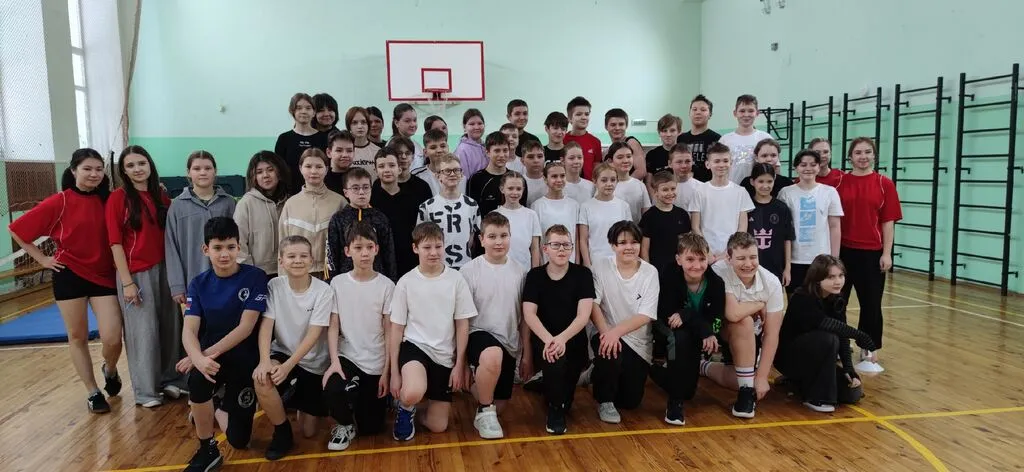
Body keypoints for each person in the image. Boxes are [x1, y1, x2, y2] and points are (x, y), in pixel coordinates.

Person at [9, 149, 122, 413]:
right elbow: (17, 229)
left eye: (98, 169)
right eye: (87, 169)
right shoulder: (59, 201)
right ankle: (93, 392)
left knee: (113, 337)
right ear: (73, 171)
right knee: (77, 335)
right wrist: (42, 259)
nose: (94, 174)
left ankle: (110, 369)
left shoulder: (109, 199)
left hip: (104, 275)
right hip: (69, 274)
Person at [180, 217, 267, 472]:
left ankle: (216, 406)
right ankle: (207, 448)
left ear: (239, 247)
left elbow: (245, 328)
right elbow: (189, 329)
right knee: (197, 379)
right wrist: (198, 359)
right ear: (205, 250)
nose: (224, 254)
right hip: (213, 361)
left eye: (230, 247)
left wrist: (200, 355)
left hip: (243, 360)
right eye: (217, 248)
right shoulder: (198, 283)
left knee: (240, 441)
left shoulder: (255, 277)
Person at [106, 145, 182, 407]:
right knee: (143, 332)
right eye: (130, 165)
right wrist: (127, 282)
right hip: (136, 274)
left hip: (165, 269)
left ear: (150, 165)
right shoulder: (118, 199)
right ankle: (146, 391)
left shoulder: (160, 195)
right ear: (124, 171)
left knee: (171, 327)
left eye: (141, 163)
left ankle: (171, 379)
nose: (137, 169)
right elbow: (115, 243)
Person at [389, 222, 478, 440]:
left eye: (438, 246)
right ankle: (405, 406)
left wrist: (459, 365)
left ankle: (416, 411)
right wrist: (394, 373)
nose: (433, 252)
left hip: (444, 356)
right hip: (415, 347)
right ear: (415, 248)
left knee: (438, 426)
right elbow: (397, 328)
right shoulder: (406, 282)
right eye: (427, 247)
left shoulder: (456, 279)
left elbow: (462, 324)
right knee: (412, 391)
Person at [253, 236, 333, 460]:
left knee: (309, 432)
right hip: (283, 352)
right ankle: (282, 432)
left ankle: (293, 395)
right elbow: (266, 326)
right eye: (291, 256)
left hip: (313, 362)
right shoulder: (274, 286)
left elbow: (314, 334)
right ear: (281, 261)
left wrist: (288, 367)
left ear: (312, 260)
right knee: (261, 378)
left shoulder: (323, 291)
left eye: (303, 256)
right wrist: (264, 361)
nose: (298, 260)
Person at [324, 222, 395, 450]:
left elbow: (389, 330)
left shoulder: (387, 286)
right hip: (348, 357)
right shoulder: (337, 283)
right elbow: (333, 325)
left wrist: (387, 371)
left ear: (376, 249)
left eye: (369, 247)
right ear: (347, 251)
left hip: (376, 362)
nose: (364, 253)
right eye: (358, 247)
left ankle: (366, 399)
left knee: (371, 428)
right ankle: (345, 424)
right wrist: (334, 362)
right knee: (332, 387)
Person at [777, 254, 876, 413]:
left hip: (819, 360)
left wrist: (849, 369)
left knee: (852, 394)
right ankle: (816, 397)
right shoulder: (802, 298)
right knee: (828, 338)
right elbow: (828, 325)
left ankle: (796, 383)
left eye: (841, 275)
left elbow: (843, 335)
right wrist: (861, 336)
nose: (838, 281)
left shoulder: (836, 298)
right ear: (817, 279)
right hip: (790, 359)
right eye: (831, 277)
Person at [835, 137, 902, 373]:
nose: (862, 156)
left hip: (872, 254)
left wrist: (887, 253)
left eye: (867, 152)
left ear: (874, 155)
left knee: (871, 303)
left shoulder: (885, 184)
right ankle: (839, 345)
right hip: (843, 252)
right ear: (850, 156)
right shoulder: (839, 182)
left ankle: (868, 347)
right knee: (837, 301)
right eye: (858, 152)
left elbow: (888, 221)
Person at [460, 212, 529, 439]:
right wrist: (460, 361)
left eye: (503, 236)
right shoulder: (468, 271)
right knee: (492, 355)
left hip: (508, 343)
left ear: (510, 237)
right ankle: (484, 410)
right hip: (478, 334)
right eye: (492, 236)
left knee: (500, 405)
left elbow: (524, 318)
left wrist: (526, 353)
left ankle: (477, 389)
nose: (498, 242)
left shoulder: (521, 272)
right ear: (481, 240)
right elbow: (461, 319)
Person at [702, 232, 785, 419]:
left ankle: (704, 367)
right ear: (728, 258)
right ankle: (746, 393)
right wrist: (759, 304)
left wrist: (762, 377)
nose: (748, 264)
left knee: (749, 380)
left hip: (752, 337)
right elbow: (733, 314)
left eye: (753, 257)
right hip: (719, 330)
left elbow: (771, 334)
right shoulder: (719, 271)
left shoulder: (771, 282)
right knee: (743, 321)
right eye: (741, 258)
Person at [522, 225, 595, 434]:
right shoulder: (535, 276)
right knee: (554, 363)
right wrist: (550, 340)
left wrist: (561, 339)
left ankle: (547, 385)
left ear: (572, 248)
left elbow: (583, 315)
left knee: (567, 400)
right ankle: (555, 411)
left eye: (566, 245)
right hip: (544, 341)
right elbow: (529, 314)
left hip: (573, 340)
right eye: (556, 245)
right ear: (545, 249)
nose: (561, 249)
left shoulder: (582, 274)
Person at [589, 221, 659, 424]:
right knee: (609, 352)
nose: (629, 247)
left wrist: (615, 333)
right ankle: (604, 400)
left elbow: (645, 315)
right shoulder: (600, 266)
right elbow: (593, 305)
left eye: (634, 242)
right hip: (605, 332)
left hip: (637, 341)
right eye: (622, 243)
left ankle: (594, 373)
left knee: (630, 402)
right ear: (613, 245)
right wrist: (607, 334)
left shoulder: (650, 272)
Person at [653, 232, 724, 425]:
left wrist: (693, 319)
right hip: (669, 330)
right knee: (680, 338)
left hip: (698, 332)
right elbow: (668, 315)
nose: (697, 265)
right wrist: (696, 322)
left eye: (702, 259)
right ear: (679, 260)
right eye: (690, 259)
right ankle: (674, 403)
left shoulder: (716, 284)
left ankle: (656, 372)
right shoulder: (669, 276)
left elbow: (717, 320)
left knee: (689, 392)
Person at [166, 151, 236, 304]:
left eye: (207, 168)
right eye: (197, 168)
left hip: (226, 279)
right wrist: (176, 285)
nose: (203, 172)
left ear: (215, 171)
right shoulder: (177, 206)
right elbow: (171, 247)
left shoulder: (229, 203)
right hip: (191, 280)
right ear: (188, 172)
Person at [777, 149, 843, 291]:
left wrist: (834, 260)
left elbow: (834, 226)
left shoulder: (829, 192)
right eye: (803, 165)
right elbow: (783, 230)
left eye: (813, 165)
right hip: (795, 259)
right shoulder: (786, 193)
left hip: (822, 260)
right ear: (796, 168)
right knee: (796, 299)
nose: (808, 168)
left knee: (821, 299)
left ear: (819, 167)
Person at [279, 148, 347, 278]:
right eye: (308, 166)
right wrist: (283, 278)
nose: (313, 171)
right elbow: (282, 244)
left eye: (319, 167)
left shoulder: (339, 202)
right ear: (300, 168)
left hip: (331, 273)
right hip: (298, 272)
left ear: (326, 169)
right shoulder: (291, 204)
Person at [326, 167, 397, 280]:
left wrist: (392, 280)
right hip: (346, 279)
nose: (361, 192)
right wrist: (332, 281)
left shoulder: (380, 218)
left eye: (365, 187)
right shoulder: (338, 219)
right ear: (346, 192)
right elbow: (331, 255)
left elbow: (389, 254)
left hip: (376, 278)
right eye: (355, 188)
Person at [372, 146, 431, 277]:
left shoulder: (412, 199)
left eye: (392, 165)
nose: (387, 170)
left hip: (409, 259)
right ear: (375, 171)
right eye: (381, 166)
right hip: (379, 261)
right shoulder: (371, 199)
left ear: (399, 169)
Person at [689, 143, 754, 261]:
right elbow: (695, 227)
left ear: (731, 163)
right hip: (706, 255)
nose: (721, 165)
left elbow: (742, 228)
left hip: (732, 255)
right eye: (717, 161)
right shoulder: (699, 191)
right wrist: (707, 251)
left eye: (725, 161)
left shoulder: (741, 192)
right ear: (708, 164)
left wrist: (728, 252)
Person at [416, 155, 480, 269]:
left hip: (465, 265)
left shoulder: (472, 205)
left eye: (456, 170)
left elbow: (473, 236)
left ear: (461, 174)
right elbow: (421, 239)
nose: (452, 174)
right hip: (437, 266)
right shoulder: (427, 207)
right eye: (447, 171)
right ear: (438, 175)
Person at [235, 150, 290, 279]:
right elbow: (239, 242)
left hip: (287, 271)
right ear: (253, 177)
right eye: (259, 172)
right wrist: (249, 271)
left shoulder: (289, 202)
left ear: (279, 172)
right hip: (256, 273)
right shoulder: (246, 203)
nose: (265, 175)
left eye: (270, 170)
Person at [746, 163, 795, 286]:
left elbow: (787, 239)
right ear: (752, 182)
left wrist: (787, 268)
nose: (765, 186)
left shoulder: (781, 208)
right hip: (750, 267)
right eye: (760, 181)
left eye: (769, 181)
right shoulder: (746, 206)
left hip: (776, 267)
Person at [578, 163, 632, 267]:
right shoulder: (586, 207)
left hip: (619, 262)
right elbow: (583, 240)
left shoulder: (624, 206)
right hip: (596, 262)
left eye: (613, 180)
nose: (609, 184)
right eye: (604, 180)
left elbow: (628, 236)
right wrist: (588, 264)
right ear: (595, 181)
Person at [639, 171, 691, 274]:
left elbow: (687, 244)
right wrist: (648, 271)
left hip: (679, 268)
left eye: (673, 189)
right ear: (655, 192)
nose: (670, 193)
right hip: (657, 268)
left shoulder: (682, 214)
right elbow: (644, 249)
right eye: (665, 190)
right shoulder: (649, 216)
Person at [276, 93, 328, 195]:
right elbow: (279, 170)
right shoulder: (284, 138)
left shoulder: (324, 138)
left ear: (314, 112)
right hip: (290, 193)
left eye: (308, 108)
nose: (304, 111)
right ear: (292, 111)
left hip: (320, 193)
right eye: (299, 108)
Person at [466, 131, 527, 217]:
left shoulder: (518, 180)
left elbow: (522, 211)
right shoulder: (475, 179)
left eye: (505, 150)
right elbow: (472, 213)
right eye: (497, 151)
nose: (501, 155)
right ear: (487, 152)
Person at [531, 161, 580, 263]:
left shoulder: (574, 205)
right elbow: (536, 242)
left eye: (562, 176)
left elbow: (576, 238)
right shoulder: (537, 206)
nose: (559, 180)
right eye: (554, 176)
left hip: (569, 263)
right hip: (546, 264)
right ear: (545, 179)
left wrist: (577, 263)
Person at [719, 95, 773, 185]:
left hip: (758, 190)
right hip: (731, 188)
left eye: (751, 111)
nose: (746, 115)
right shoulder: (725, 140)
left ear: (757, 113)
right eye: (742, 111)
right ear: (735, 113)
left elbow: (775, 167)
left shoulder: (765, 138)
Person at [495, 172, 542, 269]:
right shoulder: (494, 215)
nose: (515, 192)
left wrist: (534, 272)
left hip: (524, 269)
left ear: (523, 190)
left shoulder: (531, 215)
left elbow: (535, 248)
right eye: (510, 188)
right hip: (500, 269)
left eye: (518, 189)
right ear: (502, 189)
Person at [677, 95, 721, 182]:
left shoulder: (716, 139)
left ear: (710, 114)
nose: (698, 112)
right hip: (684, 184)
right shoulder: (681, 139)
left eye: (703, 110)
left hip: (707, 185)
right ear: (689, 113)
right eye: (694, 109)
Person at [607, 142, 651, 223]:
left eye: (629, 156)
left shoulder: (640, 185)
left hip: (635, 229)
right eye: (620, 157)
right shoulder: (606, 186)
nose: (625, 161)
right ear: (610, 161)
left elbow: (646, 214)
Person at [562, 96, 602, 179]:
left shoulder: (595, 142)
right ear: (569, 118)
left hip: (590, 186)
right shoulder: (563, 140)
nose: (584, 117)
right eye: (579, 114)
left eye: (586, 114)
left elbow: (597, 171)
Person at [604, 108, 647, 181]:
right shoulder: (606, 152)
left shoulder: (631, 143)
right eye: (613, 125)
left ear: (626, 126)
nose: (617, 128)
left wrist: (622, 185)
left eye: (621, 124)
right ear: (606, 127)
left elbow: (641, 171)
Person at [412, 129, 455, 195]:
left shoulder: (457, 175)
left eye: (443, 146)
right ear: (425, 152)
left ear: (448, 148)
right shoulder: (416, 176)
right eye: (433, 147)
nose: (439, 150)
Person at [392, 135, 434, 202]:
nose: (403, 156)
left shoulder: (422, 186)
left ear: (413, 157)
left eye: (407, 153)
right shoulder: (382, 184)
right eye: (399, 153)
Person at [345, 106, 382, 180]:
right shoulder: (344, 152)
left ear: (368, 125)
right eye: (354, 123)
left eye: (363, 122)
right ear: (349, 127)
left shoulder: (378, 151)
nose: (360, 126)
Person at [454, 108, 489, 178]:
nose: (477, 127)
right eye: (472, 124)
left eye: (480, 123)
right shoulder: (462, 150)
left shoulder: (487, 146)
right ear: (464, 127)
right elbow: (463, 179)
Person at [646, 114, 683, 180]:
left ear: (679, 132)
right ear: (659, 132)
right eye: (664, 131)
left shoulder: (685, 154)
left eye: (672, 130)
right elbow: (648, 182)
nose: (668, 134)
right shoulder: (652, 155)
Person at [390, 103, 425, 169]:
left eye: (414, 120)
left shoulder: (417, 145)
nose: (412, 124)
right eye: (407, 121)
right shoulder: (391, 145)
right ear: (396, 123)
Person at [669, 144, 701, 210]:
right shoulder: (663, 189)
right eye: (679, 162)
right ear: (670, 164)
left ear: (692, 162)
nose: (684, 166)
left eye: (688, 161)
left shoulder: (701, 188)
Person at [324, 130, 355, 194]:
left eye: (349, 151)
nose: (345, 155)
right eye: (339, 150)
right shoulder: (321, 179)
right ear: (329, 153)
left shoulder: (359, 178)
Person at [521, 139, 548, 206]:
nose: (536, 160)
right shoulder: (520, 182)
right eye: (530, 157)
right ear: (522, 160)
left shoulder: (552, 181)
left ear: (544, 158)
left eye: (540, 156)